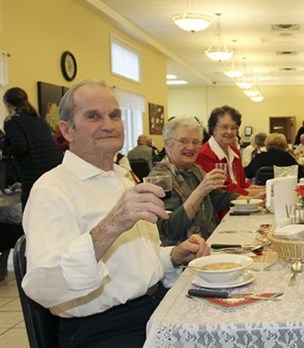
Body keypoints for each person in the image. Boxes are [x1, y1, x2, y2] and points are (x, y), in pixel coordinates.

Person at [21, 80, 209, 347]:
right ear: (67, 130)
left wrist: (174, 255)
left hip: (153, 308)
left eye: (115, 115)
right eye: (93, 116)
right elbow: (43, 285)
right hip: (105, 330)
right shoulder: (52, 190)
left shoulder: (122, 178)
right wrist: (112, 224)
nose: (109, 124)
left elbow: (132, 261)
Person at [150, 117, 239, 245]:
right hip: (186, 255)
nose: (191, 147)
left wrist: (254, 200)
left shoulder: (195, 170)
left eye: (196, 142)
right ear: (168, 144)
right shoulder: (160, 179)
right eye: (183, 141)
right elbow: (168, 229)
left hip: (212, 241)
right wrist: (200, 191)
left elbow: (218, 198)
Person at [2, 87, 63, 207]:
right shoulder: (38, 119)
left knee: (31, 214)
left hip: (34, 174)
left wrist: (5, 152)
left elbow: (20, 146)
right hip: (54, 170)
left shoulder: (12, 121)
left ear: (8, 104)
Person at [196, 105, 258, 197]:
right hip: (222, 209)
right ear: (213, 129)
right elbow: (225, 190)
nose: (229, 132)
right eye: (224, 127)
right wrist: (261, 194)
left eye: (233, 128)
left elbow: (242, 185)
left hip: (239, 204)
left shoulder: (235, 152)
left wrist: (268, 188)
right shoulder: (204, 154)